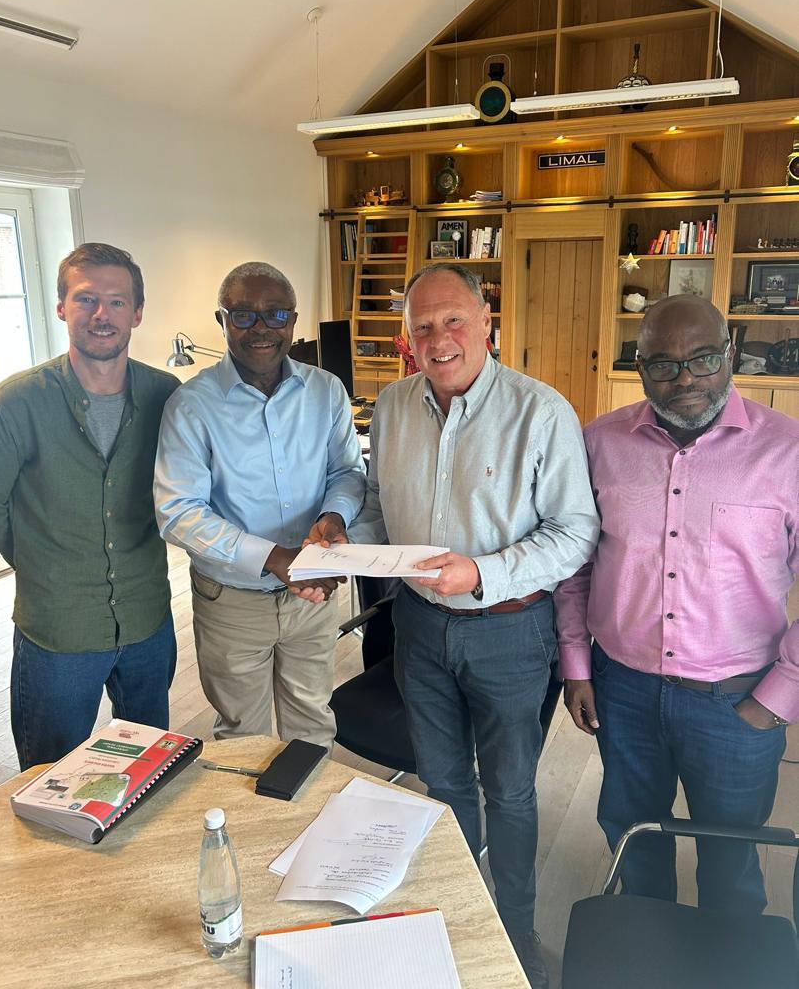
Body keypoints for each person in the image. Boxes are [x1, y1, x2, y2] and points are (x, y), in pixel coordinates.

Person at [344, 265, 599, 983]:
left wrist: (483, 572)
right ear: (407, 338)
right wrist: (341, 542)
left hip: (511, 631)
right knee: (443, 781)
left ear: (487, 321)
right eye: (422, 327)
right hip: (419, 627)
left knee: (510, 791)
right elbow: (378, 505)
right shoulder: (392, 407)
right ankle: (455, 918)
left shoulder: (540, 412)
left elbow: (575, 533)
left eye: (453, 320)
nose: (439, 339)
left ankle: (513, 933)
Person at [555, 294, 798, 915]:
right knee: (633, 839)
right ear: (639, 366)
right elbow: (575, 564)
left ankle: (726, 955)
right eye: (663, 364)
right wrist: (577, 666)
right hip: (622, 691)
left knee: (730, 859)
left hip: (738, 699)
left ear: (731, 352)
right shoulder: (599, 443)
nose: (685, 379)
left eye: (703, 358)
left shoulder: (788, 451)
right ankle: (646, 941)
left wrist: (779, 696)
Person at [154, 262, 365, 750]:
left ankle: (305, 803)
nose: (262, 328)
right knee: (240, 735)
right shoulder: (191, 404)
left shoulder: (326, 391)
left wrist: (332, 518)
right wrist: (274, 558)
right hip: (232, 601)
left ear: (294, 320)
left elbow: (348, 473)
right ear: (222, 320)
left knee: (312, 724)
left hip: (311, 596)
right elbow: (179, 511)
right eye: (244, 315)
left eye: (276, 314)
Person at [0, 242, 179, 771]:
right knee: (48, 777)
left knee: (148, 769)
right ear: (61, 307)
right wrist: (40, 556)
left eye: (117, 302)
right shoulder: (16, 402)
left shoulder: (166, 396)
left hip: (146, 620)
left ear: (137, 313)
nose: (102, 314)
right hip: (58, 628)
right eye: (86, 299)